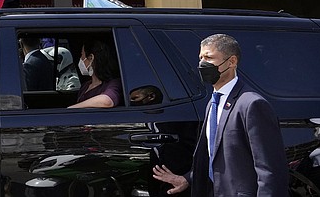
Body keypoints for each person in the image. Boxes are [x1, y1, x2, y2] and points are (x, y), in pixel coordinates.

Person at [152, 33, 288, 197]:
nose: (202, 64)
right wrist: (188, 179)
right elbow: (215, 157)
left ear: (231, 62)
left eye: (209, 58)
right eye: (201, 57)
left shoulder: (252, 104)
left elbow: (270, 169)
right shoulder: (213, 103)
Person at [68, 39, 123, 108]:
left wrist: (71, 108)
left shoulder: (114, 83)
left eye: (82, 55)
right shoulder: (85, 86)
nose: (81, 59)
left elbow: (107, 101)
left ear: (91, 58)